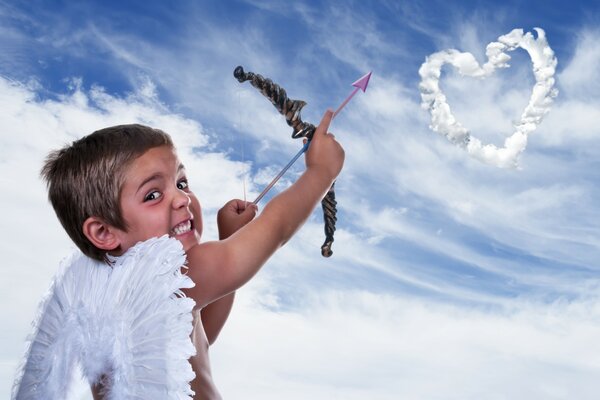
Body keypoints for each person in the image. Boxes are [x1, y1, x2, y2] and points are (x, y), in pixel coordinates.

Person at [12, 110, 344, 399]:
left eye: (181, 183)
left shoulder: (101, 288)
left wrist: (230, 236)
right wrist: (320, 173)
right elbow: (276, 228)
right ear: (103, 233)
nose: (182, 199)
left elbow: (194, 346)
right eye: (153, 194)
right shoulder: (169, 275)